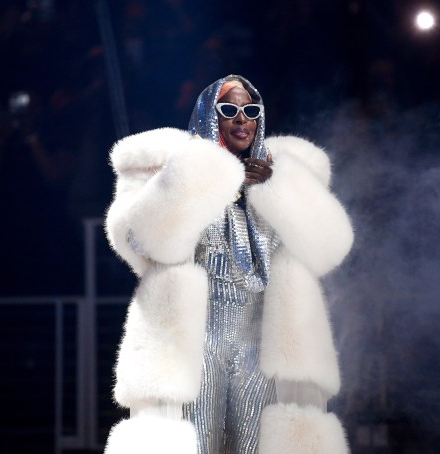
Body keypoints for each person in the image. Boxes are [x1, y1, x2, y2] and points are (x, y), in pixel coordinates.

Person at [104, 75, 354, 453]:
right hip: (197, 342)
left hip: (260, 343)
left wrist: (275, 189)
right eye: (229, 110)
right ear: (208, 115)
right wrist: (199, 179)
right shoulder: (168, 167)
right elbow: (139, 243)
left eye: (250, 111)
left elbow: (329, 249)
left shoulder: (282, 173)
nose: (241, 119)